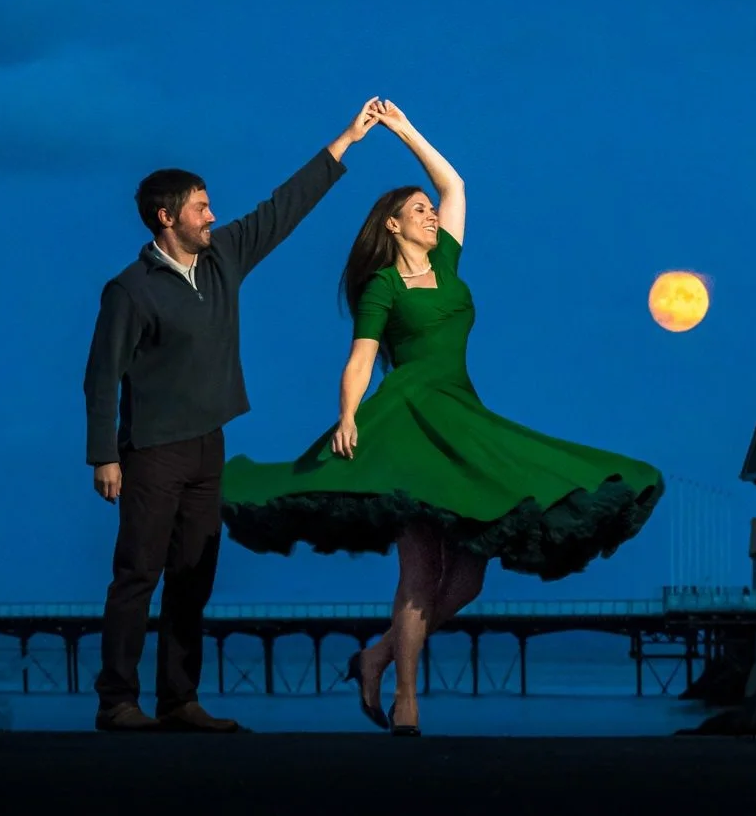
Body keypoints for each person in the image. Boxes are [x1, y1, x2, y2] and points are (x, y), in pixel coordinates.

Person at [220, 99, 665, 736]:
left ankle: (375, 657)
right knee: (419, 568)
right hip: (408, 426)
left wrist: (402, 130)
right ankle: (406, 697)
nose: (432, 214)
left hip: (461, 419)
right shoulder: (382, 288)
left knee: (469, 576)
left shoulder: (448, 264)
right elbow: (360, 359)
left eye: (430, 211)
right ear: (394, 227)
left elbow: (453, 182)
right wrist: (347, 415)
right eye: (419, 212)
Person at [83, 98, 381, 733]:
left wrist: (347, 141)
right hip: (151, 451)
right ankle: (117, 701)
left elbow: (282, 208)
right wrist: (105, 454)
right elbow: (101, 375)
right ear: (167, 218)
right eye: (200, 208)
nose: (212, 216)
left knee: (194, 574)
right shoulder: (130, 290)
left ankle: (179, 700)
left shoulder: (223, 260)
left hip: (207, 445)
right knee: (138, 574)